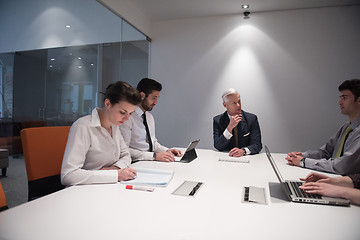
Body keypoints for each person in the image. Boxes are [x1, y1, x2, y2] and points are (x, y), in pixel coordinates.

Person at [61, 81, 141, 186]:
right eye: (122, 112)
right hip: (83, 191)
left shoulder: (115, 126)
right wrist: (115, 175)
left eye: (130, 113)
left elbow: (126, 155)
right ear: (108, 104)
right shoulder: (83, 126)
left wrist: (114, 169)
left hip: (106, 187)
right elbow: (68, 175)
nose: (127, 118)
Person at [286, 79, 360, 175]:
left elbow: (342, 167)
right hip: (333, 180)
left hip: (347, 186)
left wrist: (303, 162)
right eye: (340, 98)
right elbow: (326, 152)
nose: (339, 102)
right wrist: (302, 155)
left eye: (344, 98)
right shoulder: (346, 128)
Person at [119, 78, 182, 162]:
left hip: (149, 160)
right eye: (154, 98)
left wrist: (167, 150)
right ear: (142, 96)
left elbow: (153, 144)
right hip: (135, 162)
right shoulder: (127, 118)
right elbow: (124, 150)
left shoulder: (149, 117)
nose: (156, 102)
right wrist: (153, 156)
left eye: (157, 98)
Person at [213, 88, 262, 157]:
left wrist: (243, 151)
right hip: (226, 159)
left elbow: (257, 145)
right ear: (225, 105)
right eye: (234, 103)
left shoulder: (251, 119)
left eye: (239, 101)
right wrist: (229, 128)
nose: (238, 105)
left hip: (247, 159)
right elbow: (218, 146)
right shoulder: (218, 120)